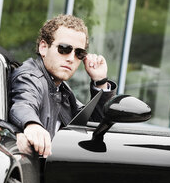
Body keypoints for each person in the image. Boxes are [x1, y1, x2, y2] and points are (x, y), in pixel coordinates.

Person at [9, 14, 117, 158]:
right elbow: (24, 102)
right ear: (43, 47)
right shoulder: (31, 77)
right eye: (64, 49)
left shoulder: (62, 90)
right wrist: (32, 125)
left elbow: (92, 127)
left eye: (79, 53)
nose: (71, 58)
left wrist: (100, 81)